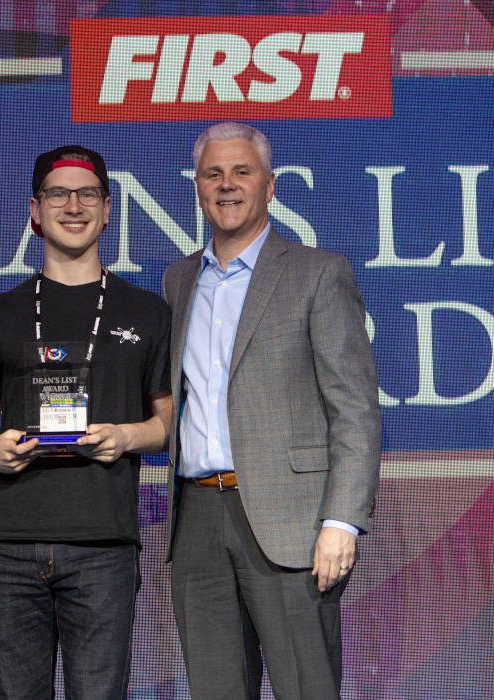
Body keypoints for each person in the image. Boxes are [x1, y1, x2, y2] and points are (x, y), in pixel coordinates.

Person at [161, 123, 381, 700]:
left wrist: (342, 521)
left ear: (270, 185)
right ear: (197, 188)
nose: (227, 185)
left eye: (241, 172)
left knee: (306, 688)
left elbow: (354, 410)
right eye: (213, 174)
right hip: (198, 523)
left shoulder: (318, 273)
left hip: (293, 525)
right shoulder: (179, 280)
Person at [0, 145, 172, 699]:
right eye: (57, 193)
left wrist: (126, 436)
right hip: (8, 545)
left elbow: (167, 423)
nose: (72, 205)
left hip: (102, 544)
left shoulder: (147, 311)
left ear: (107, 210)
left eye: (87, 194)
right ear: (34, 210)